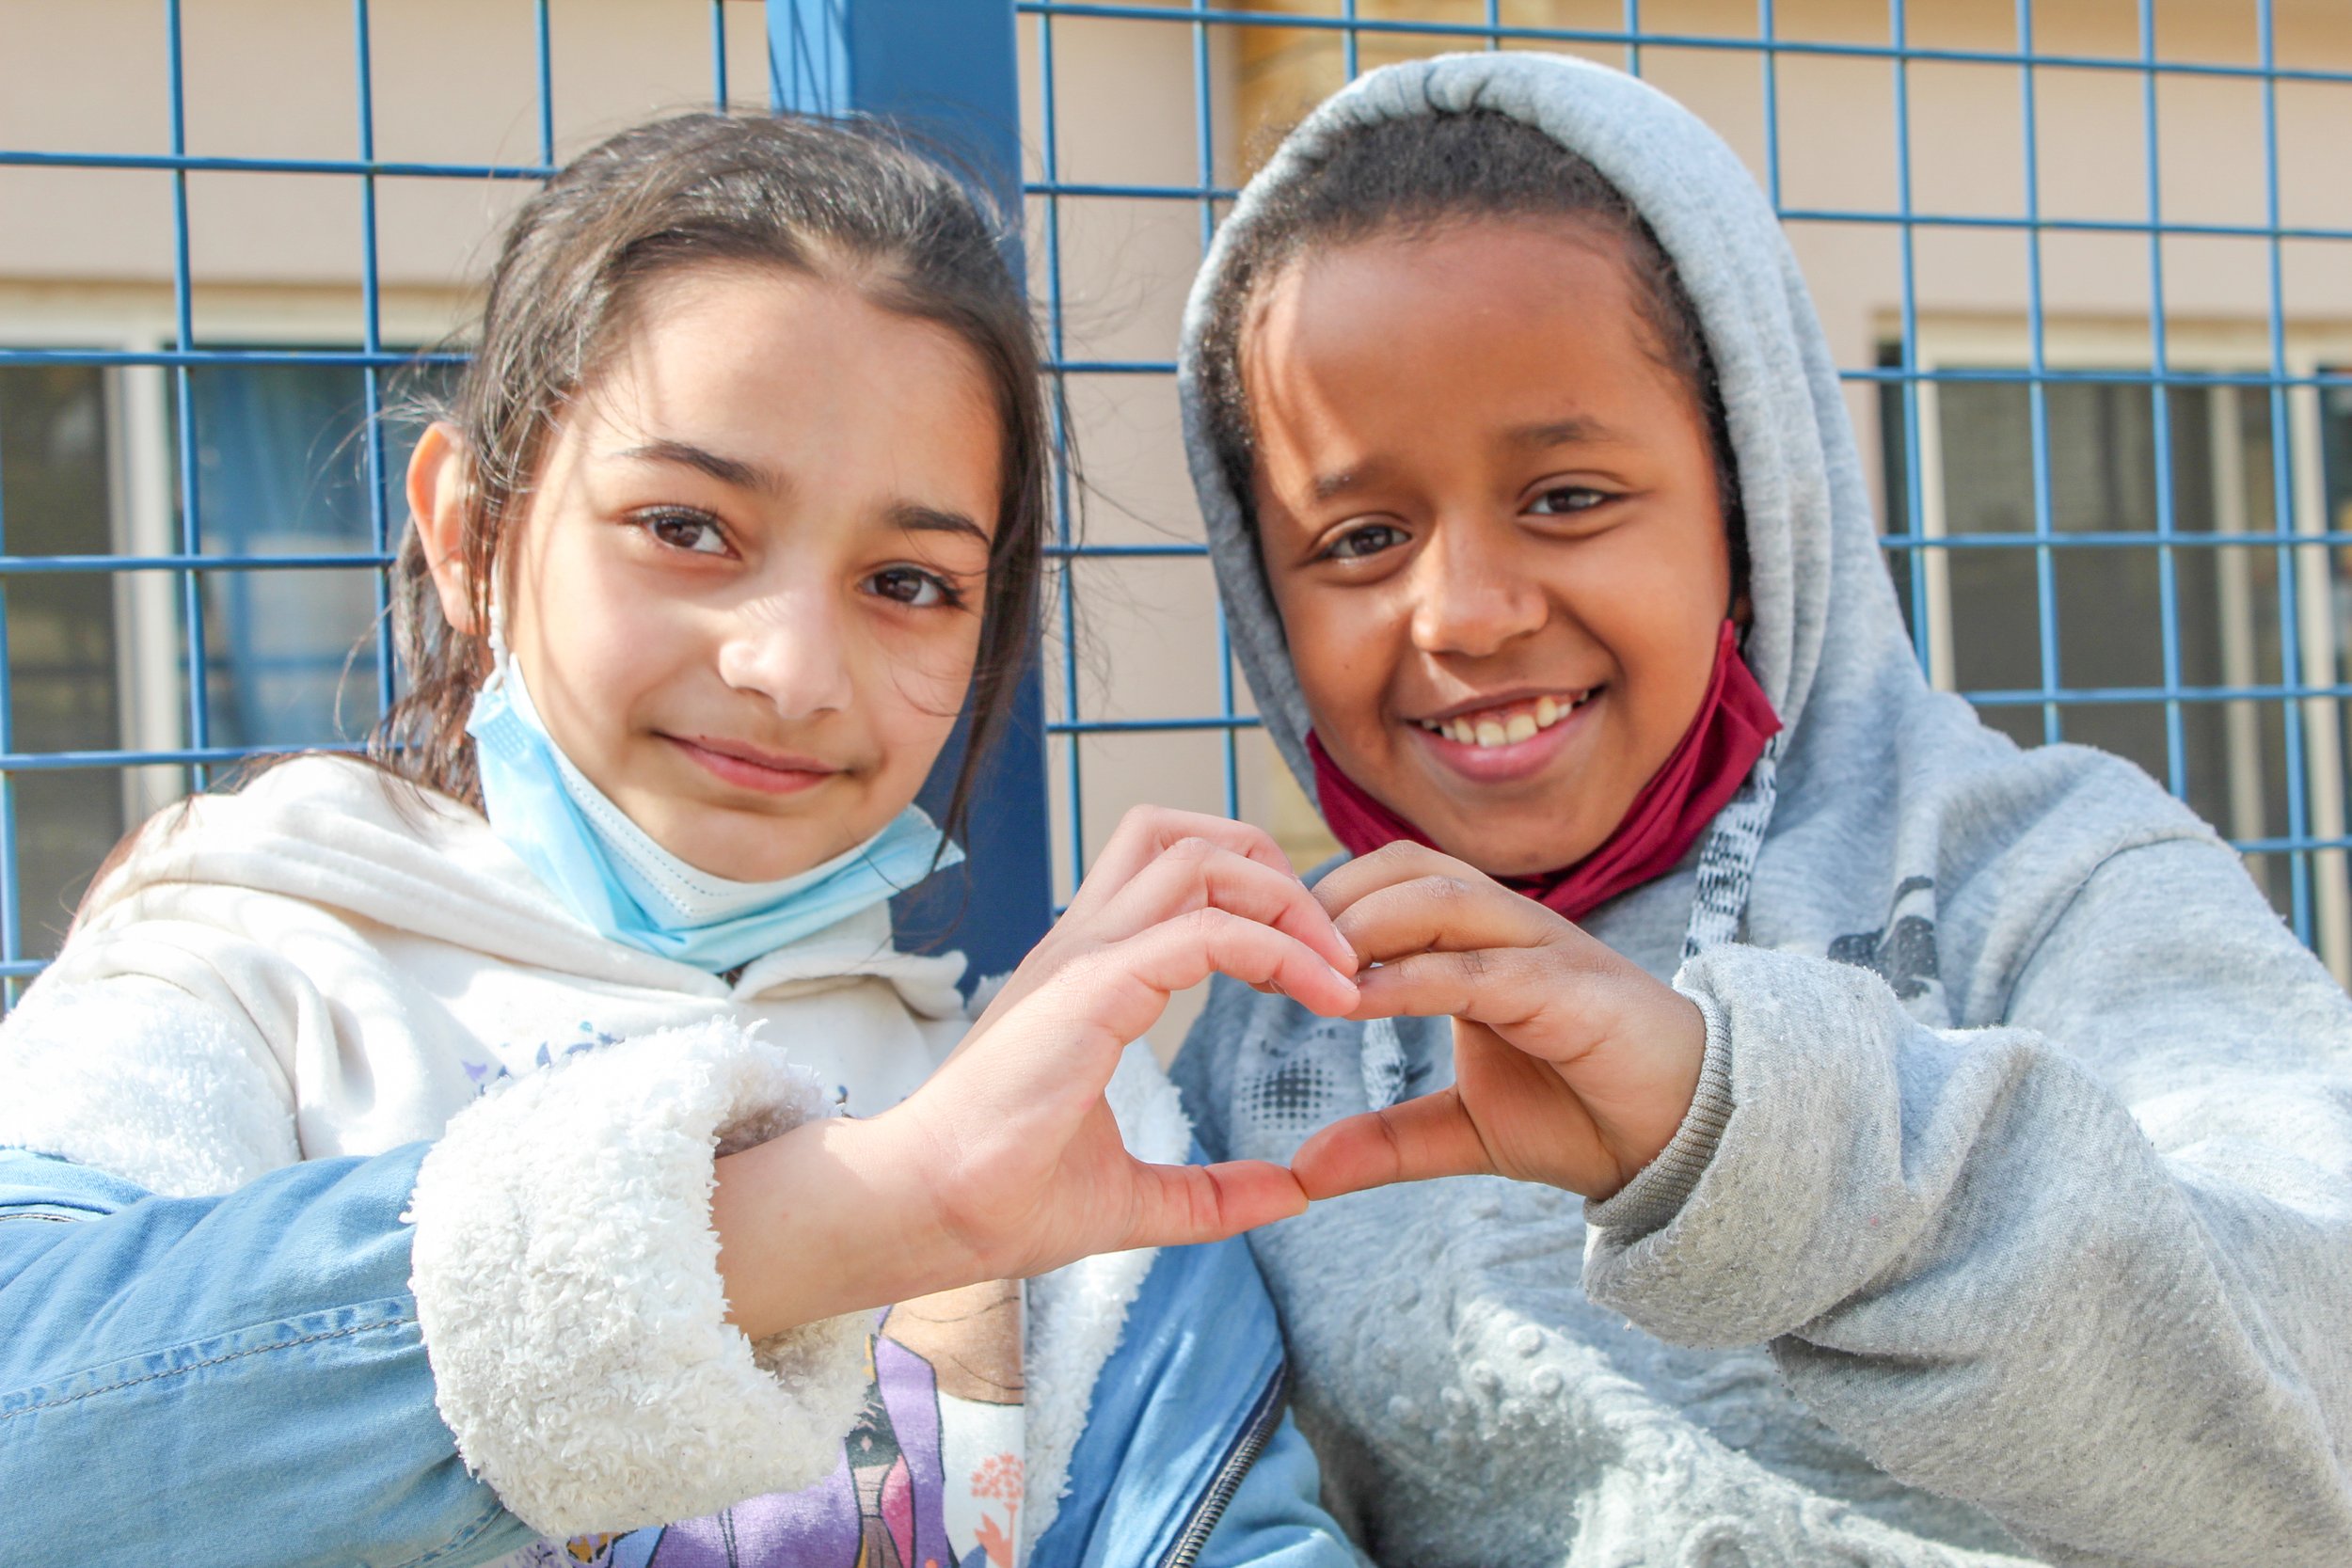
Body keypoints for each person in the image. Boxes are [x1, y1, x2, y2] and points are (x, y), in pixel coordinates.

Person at [0, 112, 1364, 1568]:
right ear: (469, 537)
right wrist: (849, 1217)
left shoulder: (1081, 1135)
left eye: (908, 580)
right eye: (687, 527)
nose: (790, 667)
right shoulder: (250, 968)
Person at [1169, 50, 2352, 1567]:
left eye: (1568, 496)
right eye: (1361, 535)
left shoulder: (2040, 876)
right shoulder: (1271, 1026)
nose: (1461, 613)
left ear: (1747, 499)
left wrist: (1740, 1136)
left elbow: (2314, 1406)